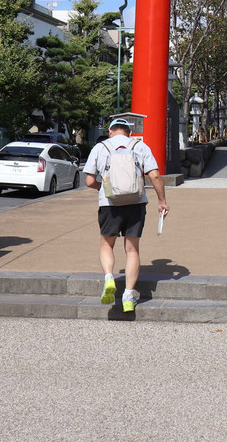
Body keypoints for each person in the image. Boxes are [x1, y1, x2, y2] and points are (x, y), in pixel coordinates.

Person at [83, 117, 169, 313]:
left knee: (107, 244)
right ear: (129, 132)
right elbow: (154, 175)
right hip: (135, 203)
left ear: (111, 131)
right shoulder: (140, 146)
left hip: (110, 204)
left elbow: (89, 181)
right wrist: (162, 201)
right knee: (132, 250)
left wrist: (103, 189)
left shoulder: (100, 147)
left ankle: (108, 279)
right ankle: (129, 296)